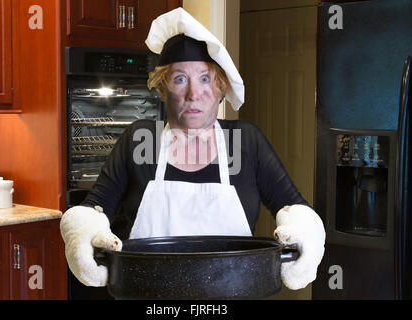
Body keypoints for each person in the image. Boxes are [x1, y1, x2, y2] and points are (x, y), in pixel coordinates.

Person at [60, 8, 325, 292]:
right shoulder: (138, 139)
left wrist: (302, 233)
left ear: (221, 86)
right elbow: (94, 209)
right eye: (179, 79)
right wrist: (83, 231)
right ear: (163, 88)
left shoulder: (246, 141)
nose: (193, 94)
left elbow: (294, 208)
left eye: (205, 78)